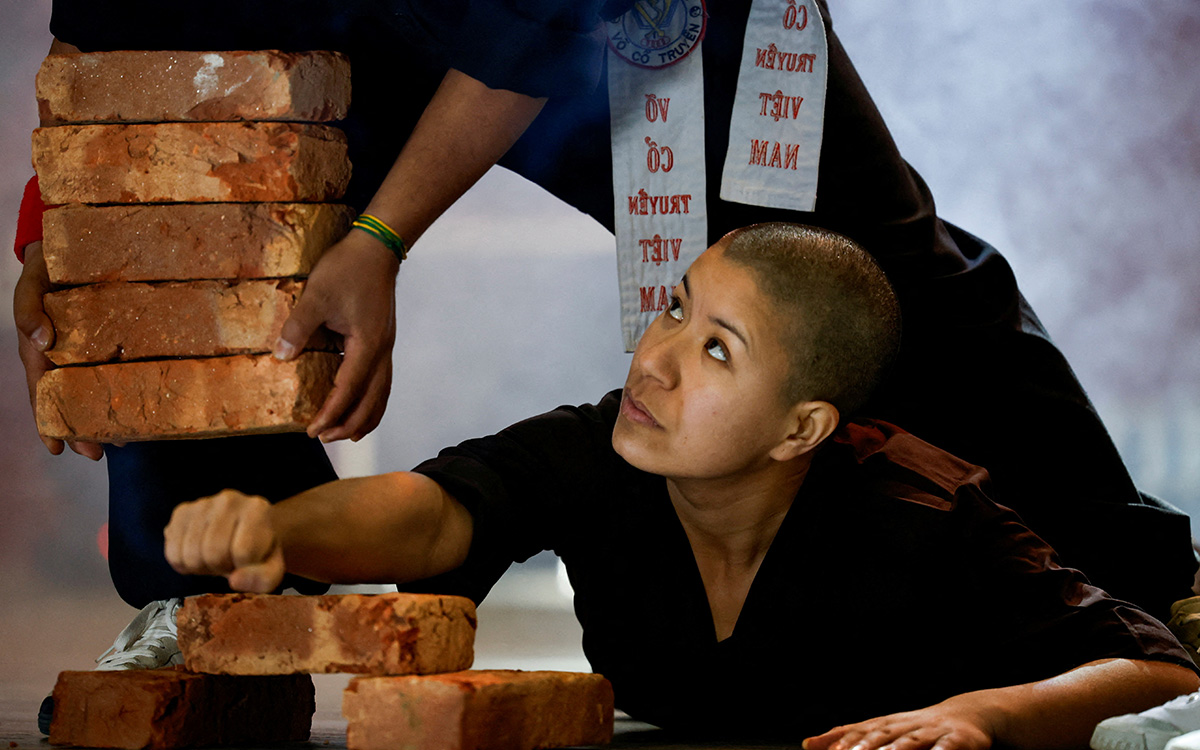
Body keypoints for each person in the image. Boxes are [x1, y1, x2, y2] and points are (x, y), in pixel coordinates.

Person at [164, 223, 1198, 746]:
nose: (654, 360)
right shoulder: (606, 450)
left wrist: (983, 717)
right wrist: (277, 528)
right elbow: (437, 515)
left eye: (716, 350)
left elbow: (1161, 674)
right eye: (672, 307)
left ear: (803, 427)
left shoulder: (922, 509)